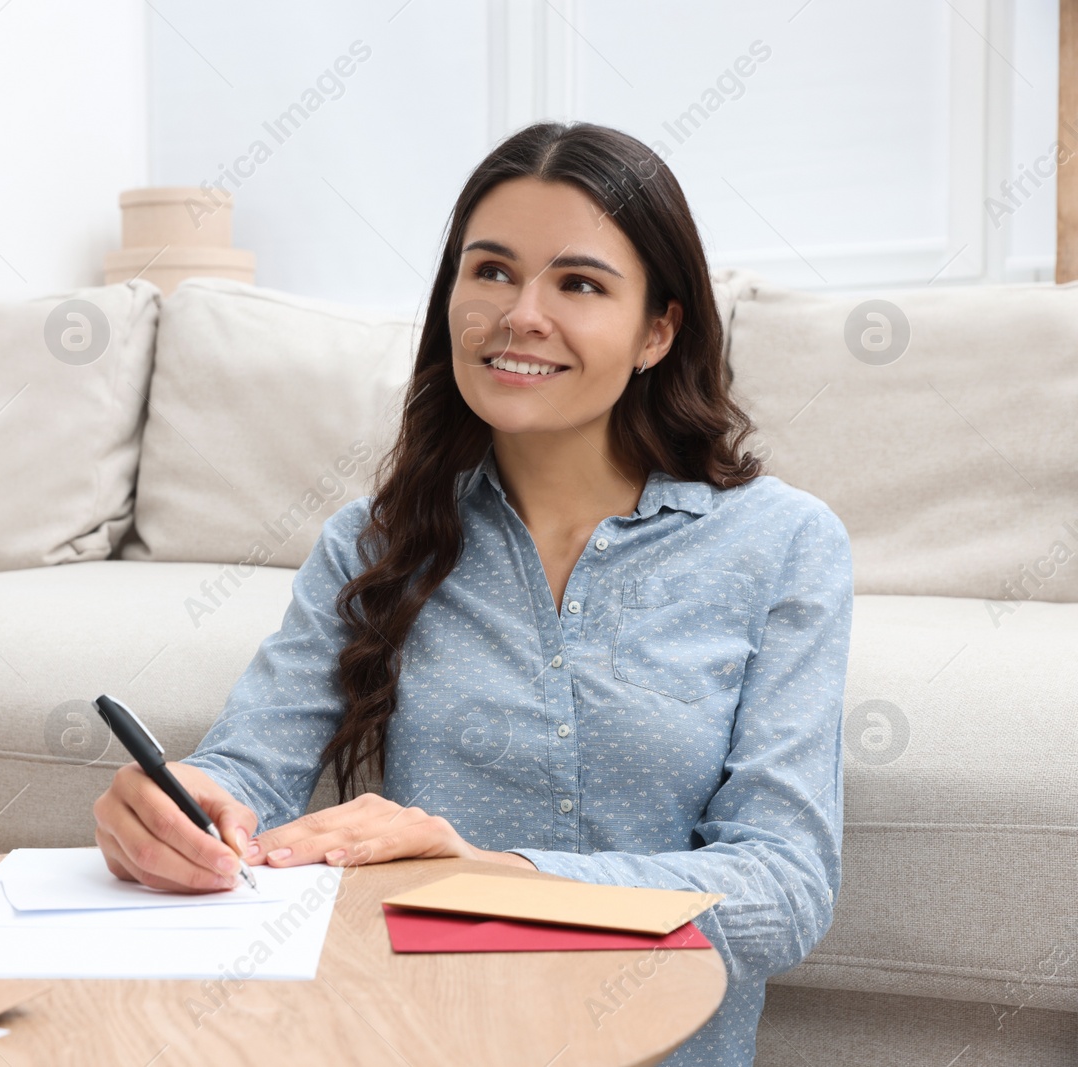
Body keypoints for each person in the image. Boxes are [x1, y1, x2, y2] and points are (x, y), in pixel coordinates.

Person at [93, 120, 854, 1066]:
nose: (519, 313)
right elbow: (251, 768)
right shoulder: (374, 542)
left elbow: (782, 888)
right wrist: (185, 805)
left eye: (578, 283)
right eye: (490, 270)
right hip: (417, 1037)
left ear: (659, 329)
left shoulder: (781, 545)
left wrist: (494, 877)